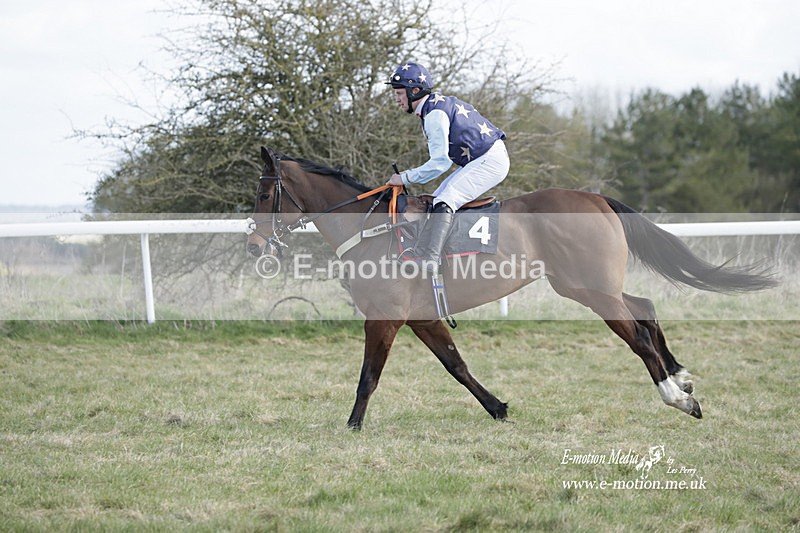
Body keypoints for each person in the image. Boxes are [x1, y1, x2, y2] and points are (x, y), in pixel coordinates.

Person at [385, 61, 510, 275]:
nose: (396, 98)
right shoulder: (433, 105)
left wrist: (404, 178)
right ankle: (427, 253)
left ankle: (431, 260)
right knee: (436, 199)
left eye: (399, 93)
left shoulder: (434, 115)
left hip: (490, 160)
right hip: (483, 157)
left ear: (415, 91)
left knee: (445, 200)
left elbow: (440, 163)